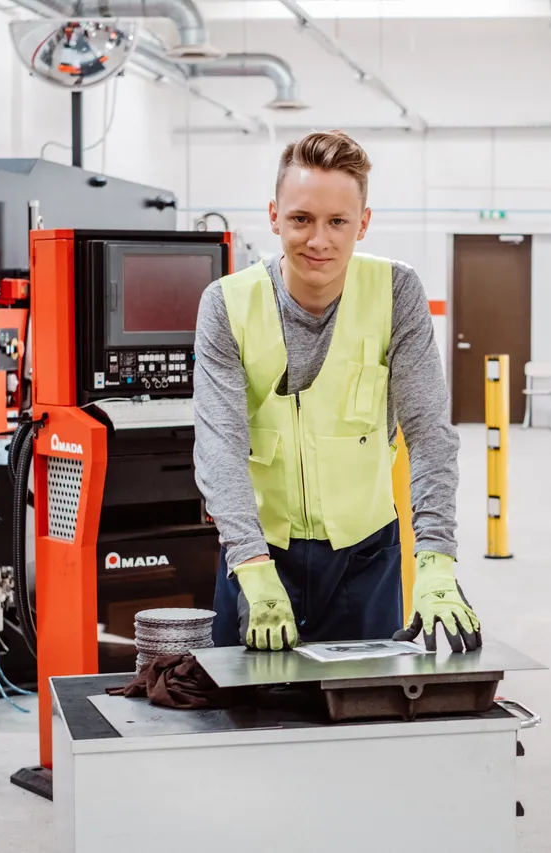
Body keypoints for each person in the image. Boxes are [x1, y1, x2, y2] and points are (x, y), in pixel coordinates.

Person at [193, 130, 481, 654]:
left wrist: (436, 560)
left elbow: (429, 433)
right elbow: (220, 448)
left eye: (338, 222)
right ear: (275, 215)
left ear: (363, 224)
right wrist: (251, 567)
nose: (318, 240)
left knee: (363, 719)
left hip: (366, 559)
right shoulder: (226, 305)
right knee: (246, 722)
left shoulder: (396, 292)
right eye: (301, 219)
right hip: (259, 556)